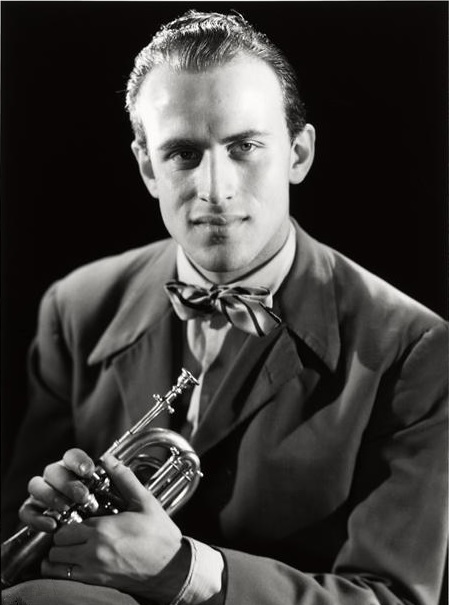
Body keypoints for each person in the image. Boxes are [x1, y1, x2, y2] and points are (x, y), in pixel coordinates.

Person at [2, 9, 447, 605]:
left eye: (245, 147)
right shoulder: (76, 307)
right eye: (184, 154)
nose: (216, 188)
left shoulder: (417, 351)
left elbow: (395, 599)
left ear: (298, 154)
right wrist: (49, 519)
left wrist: (185, 571)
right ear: (147, 167)